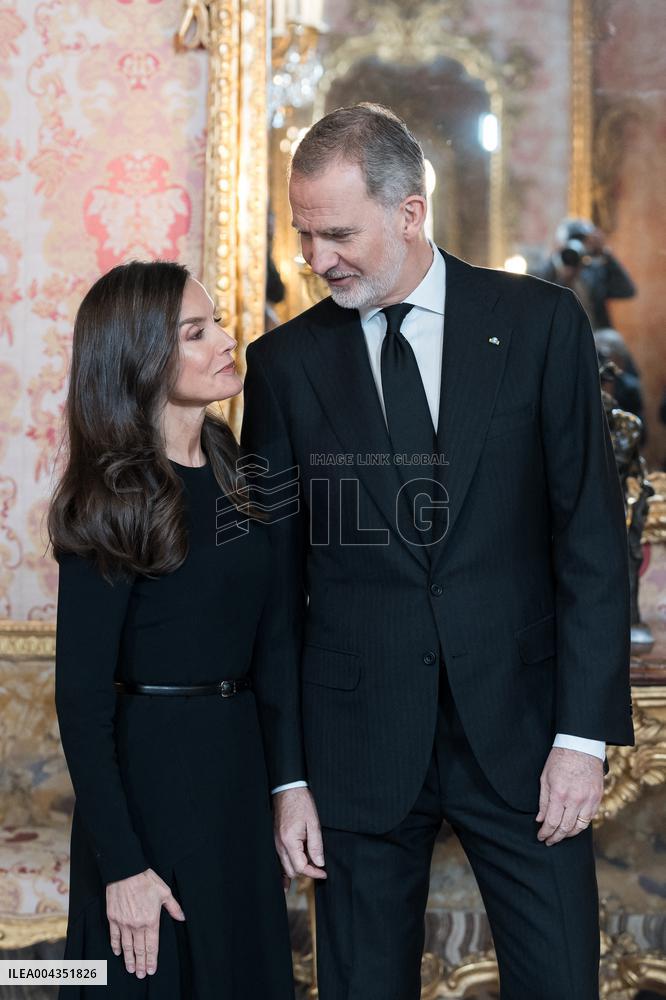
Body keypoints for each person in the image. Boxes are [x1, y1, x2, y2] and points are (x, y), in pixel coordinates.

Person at [241, 105, 634, 1000]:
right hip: (355, 747)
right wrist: (289, 776)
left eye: (337, 233)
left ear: (410, 213)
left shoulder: (541, 325)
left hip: (528, 738)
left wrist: (581, 738)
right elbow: (274, 586)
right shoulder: (283, 367)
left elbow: (588, 541)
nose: (315, 260)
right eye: (304, 234)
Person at [50, 261, 295, 998]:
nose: (228, 340)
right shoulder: (113, 501)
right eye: (198, 331)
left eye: (216, 320)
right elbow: (81, 702)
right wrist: (123, 866)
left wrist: (290, 786)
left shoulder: (240, 474)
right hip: (148, 789)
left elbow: (277, 644)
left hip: (236, 778)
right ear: (141, 360)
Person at [535, 217, 637, 330]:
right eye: (571, 239)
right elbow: (538, 300)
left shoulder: (595, 270)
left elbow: (627, 290)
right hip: (560, 334)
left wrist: (604, 253)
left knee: (612, 340)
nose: (576, 244)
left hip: (595, 336)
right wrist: (561, 275)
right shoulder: (551, 269)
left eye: (581, 240)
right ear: (560, 244)